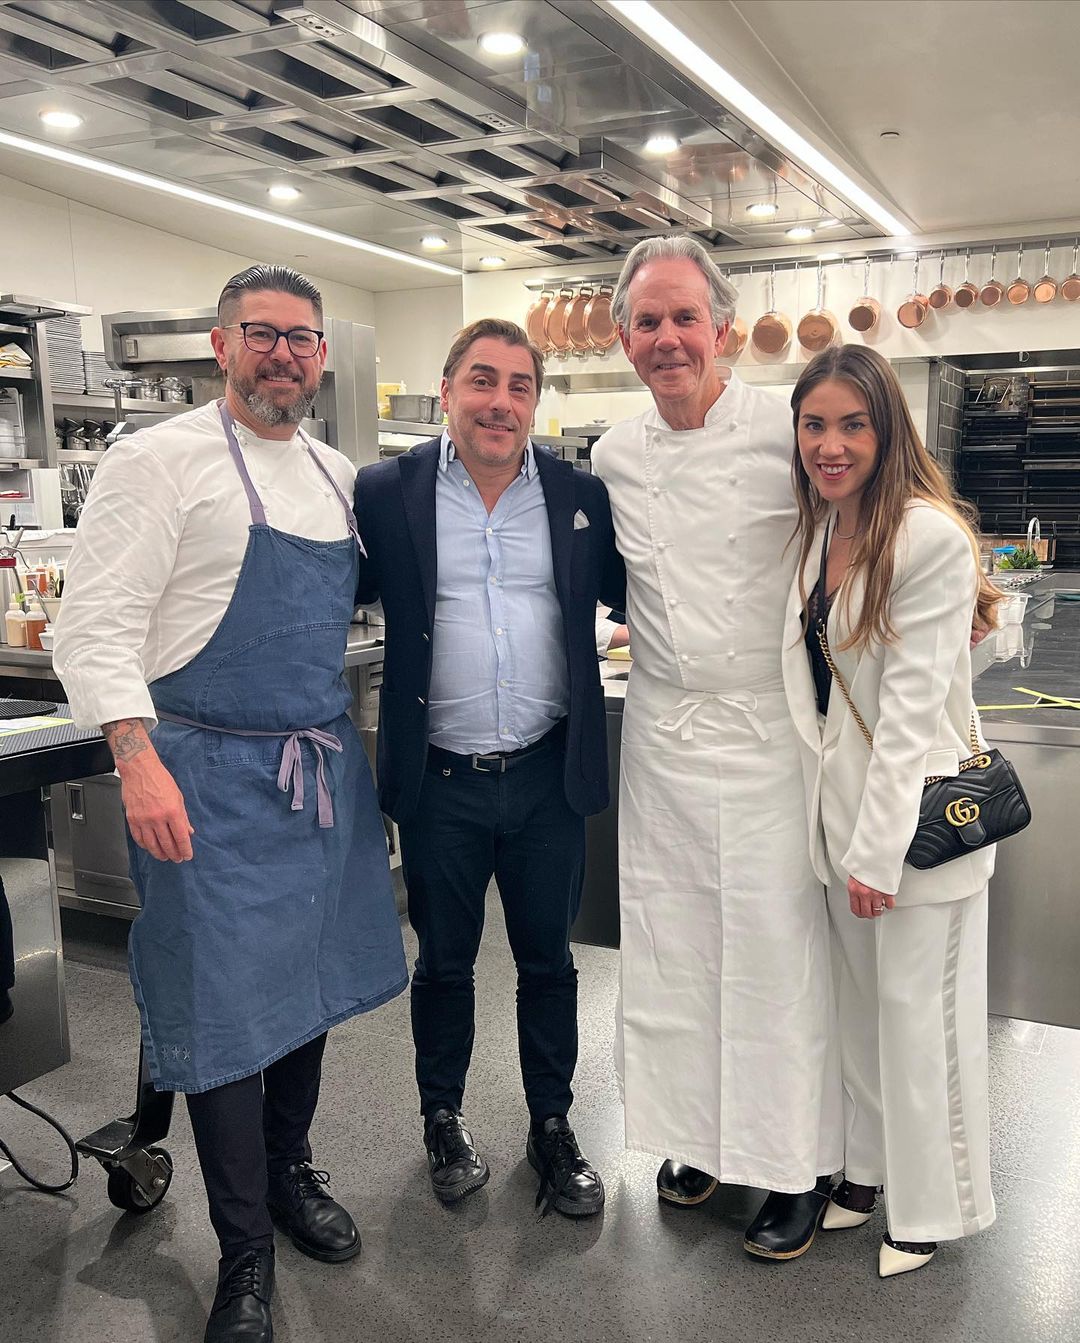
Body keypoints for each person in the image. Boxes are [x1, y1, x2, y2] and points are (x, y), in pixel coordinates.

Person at [54, 265, 408, 1343]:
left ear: (321, 357)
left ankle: (291, 1170)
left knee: (305, 986)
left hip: (311, 778)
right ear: (222, 345)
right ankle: (243, 1246)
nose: (284, 354)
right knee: (219, 1012)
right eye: (263, 333)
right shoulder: (155, 460)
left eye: (302, 338)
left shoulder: (337, 475)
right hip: (200, 777)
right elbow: (92, 626)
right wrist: (136, 757)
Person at [590, 235, 842, 1260]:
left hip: (769, 728)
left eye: (684, 317)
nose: (668, 338)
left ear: (724, 328)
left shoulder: (787, 427)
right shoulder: (614, 453)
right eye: (647, 321)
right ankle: (698, 1138)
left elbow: (875, 513)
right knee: (676, 946)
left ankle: (796, 1162)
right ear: (624, 338)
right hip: (663, 731)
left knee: (776, 951)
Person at [352, 317, 624, 1218]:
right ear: (447, 390)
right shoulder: (385, 492)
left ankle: (553, 1123)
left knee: (549, 961)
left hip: (547, 774)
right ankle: (443, 1117)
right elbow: (330, 591)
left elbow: (649, 592)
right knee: (444, 963)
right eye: (482, 380)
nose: (500, 401)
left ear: (535, 401)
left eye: (518, 385)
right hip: (441, 781)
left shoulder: (580, 496)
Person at [780, 344, 1000, 1278]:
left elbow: (907, 717)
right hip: (840, 825)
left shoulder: (928, 535)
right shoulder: (820, 529)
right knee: (863, 1018)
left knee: (924, 1024)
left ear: (888, 431)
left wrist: (876, 853)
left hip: (916, 833)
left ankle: (935, 1204)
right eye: (814, 424)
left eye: (852, 424)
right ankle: (866, 1173)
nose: (830, 444)